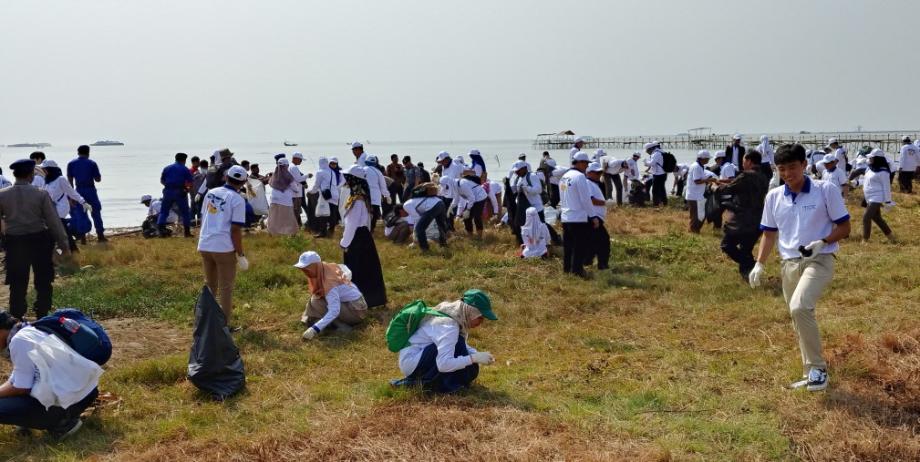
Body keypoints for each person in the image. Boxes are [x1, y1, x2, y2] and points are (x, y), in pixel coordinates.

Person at [750, 143, 850, 392]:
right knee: (799, 317)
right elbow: (769, 235)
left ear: (805, 165)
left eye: (792, 167)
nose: (787, 173)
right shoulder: (774, 196)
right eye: (781, 169)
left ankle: (818, 370)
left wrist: (822, 242)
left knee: (800, 307)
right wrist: (759, 264)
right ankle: (810, 373)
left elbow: (845, 227)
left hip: (819, 259)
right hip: (789, 264)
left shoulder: (824, 190)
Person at [0, 312, 100, 438]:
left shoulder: (18, 341)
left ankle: (61, 423)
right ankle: (53, 417)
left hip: (67, 403)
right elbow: (15, 380)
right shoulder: (29, 331)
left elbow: (21, 388)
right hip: (86, 394)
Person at [0, 160, 71, 319]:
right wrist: (64, 244)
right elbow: (53, 222)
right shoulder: (41, 194)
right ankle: (42, 314)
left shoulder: (2, 195)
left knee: (17, 282)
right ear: (31, 174)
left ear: (15, 174)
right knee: (44, 281)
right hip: (39, 240)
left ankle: (17, 317)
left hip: (15, 242)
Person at [392, 290, 497, 393]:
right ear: (471, 312)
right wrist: (473, 358)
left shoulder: (453, 315)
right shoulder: (449, 326)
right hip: (411, 363)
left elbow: (456, 343)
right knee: (465, 362)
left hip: (414, 357)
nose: (481, 322)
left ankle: (438, 383)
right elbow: (443, 364)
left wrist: (475, 353)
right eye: (480, 318)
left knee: (465, 357)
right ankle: (420, 384)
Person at [198, 165, 249, 328]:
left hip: (205, 244)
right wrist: (240, 254)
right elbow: (235, 230)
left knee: (210, 285)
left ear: (226, 177)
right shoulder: (238, 200)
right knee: (225, 287)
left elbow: (203, 216)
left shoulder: (211, 193)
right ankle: (223, 326)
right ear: (243, 182)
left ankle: (206, 321)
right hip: (223, 248)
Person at [716, 151, 770, 280]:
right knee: (746, 250)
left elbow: (729, 188)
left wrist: (714, 187)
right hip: (758, 219)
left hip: (742, 220)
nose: (742, 162)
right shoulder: (764, 176)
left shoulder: (746, 176)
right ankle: (749, 276)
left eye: (744, 160)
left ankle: (751, 267)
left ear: (749, 161)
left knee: (727, 245)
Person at [340, 165, 387, 307]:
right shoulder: (363, 198)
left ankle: (360, 300)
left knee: (357, 269)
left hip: (357, 238)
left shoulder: (357, 201)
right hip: (364, 236)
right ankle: (373, 299)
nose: (346, 180)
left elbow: (352, 225)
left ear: (354, 180)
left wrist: (344, 243)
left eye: (348, 178)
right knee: (368, 269)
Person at [294, 251, 369, 340]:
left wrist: (315, 329)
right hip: (356, 305)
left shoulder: (328, 281)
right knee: (316, 299)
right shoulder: (324, 268)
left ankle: (340, 326)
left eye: (307, 268)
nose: (304, 271)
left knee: (318, 302)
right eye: (302, 268)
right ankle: (314, 320)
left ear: (315, 266)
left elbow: (335, 310)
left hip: (356, 312)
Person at [560, 152, 604, 277]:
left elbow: (563, 196)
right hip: (578, 217)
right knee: (580, 246)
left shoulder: (564, 177)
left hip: (566, 216)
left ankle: (567, 269)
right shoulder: (580, 177)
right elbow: (585, 199)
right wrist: (593, 216)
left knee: (568, 246)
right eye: (585, 163)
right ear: (580, 163)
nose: (586, 167)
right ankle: (577, 271)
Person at [39, 160, 89, 252]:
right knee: (61, 229)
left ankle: (70, 249)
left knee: (60, 227)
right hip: (50, 207)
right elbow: (42, 193)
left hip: (61, 207)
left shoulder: (61, 179)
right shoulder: (46, 180)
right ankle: (71, 249)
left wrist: (83, 202)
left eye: (45, 169)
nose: (43, 171)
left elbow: (71, 192)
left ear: (51, 169)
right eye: (43, 169)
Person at [66, 145, 107, 242]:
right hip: (90, 190)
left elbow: (70, 180)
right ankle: (100, 236)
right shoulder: (92, 163)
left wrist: (72, 195)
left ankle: (83, 238)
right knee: (96, 212)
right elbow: (98, 179)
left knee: (81, 214)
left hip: (78, 191)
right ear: (88, 152)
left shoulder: (71, 164)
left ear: (78, 152)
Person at [861, 149, 896, 242]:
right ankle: (891, 237)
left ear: (877, 159)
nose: (869, 159)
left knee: (866, 217)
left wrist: (888, 201)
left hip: (877, 197)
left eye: (871, 157)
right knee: (876, 218)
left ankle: (865, 240)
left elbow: (886, 187)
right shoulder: (869, 168)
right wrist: (855, 182)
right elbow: (865, 181)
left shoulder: (883, 172)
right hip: (868, 196)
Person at [158, 153, 194, 238]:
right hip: (180, 191)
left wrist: (168, 186)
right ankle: (187, 233)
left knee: (164, 211)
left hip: (168, 191)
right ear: (184, 160)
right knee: (185, 212)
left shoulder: (167, 168)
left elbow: (162, 180)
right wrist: (187, 190)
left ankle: (161, 231)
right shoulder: (185, 169)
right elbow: (190, 183)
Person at [585, 162, 610, 270]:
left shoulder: (593, 183)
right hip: (594, 217)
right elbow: (591, 200)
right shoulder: (588, 183)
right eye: (596, 172)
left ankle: (587, 262)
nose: (599, 174)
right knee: (603, 241)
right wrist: (606, 203)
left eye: (600, 172)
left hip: (595, 217)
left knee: (592, 241)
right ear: (589, 173)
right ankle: (602, 265)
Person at [685, 150, 717, 233]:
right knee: (698, 216)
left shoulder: (698, 166)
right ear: (702, 158)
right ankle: (694, 231)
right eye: (707, 158)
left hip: (695, 194)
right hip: (695, 195)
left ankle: (693, 231)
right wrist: (710, 179)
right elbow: (697, 181)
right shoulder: (697, 167)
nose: (708, 160)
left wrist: (707, 180)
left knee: (696, 215)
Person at [451, 169, 488, 239]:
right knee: (466, 217)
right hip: (472, 199)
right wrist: (451, 207)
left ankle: (479, 237)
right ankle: (470, 235)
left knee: (477, 217)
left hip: (480, 197)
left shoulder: (462, 184)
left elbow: (472, 198)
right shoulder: (454, 186)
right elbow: (456, 198)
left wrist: (468, 209)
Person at [266, 158, 299, 236]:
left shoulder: (275, 175)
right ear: (286, 166)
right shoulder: (288, 176)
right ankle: (287, 232)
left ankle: (273, 232)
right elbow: (295, 189)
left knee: (274, 216)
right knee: (286, 217)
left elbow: (270, 183)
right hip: (285, 200)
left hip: (274, 199)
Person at [364, 155, 389, 231]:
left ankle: (364, 228)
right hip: (375, 197)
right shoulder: (378, 172)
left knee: (364, 213)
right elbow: (383, 186)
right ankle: (371, 229)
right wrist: (387, 196)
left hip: (364, 196)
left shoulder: (362, 170)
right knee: (375, 213)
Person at [643, 142, 667, 206]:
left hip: (658, 174)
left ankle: (656, 204)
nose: (647, 153)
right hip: (663, 173)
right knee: (662, 189)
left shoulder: (656, 154)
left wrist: (645, 162)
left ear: (650, 149)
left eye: (647, 151)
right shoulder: (661, 151)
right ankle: (664, 203)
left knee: (655, 190)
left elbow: (652, 163)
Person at [289, 152, 309, 228]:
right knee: (296, 211)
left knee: (295, 211)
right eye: (300, 160)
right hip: (296, 193)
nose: (301, 161)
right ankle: (294, 228)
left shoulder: (291, 166)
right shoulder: (294, 167)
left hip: (294, 193)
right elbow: (298, 179)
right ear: (295, 159)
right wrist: (307, 176)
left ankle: (295, 227)